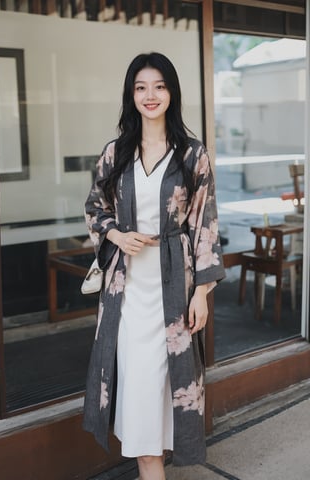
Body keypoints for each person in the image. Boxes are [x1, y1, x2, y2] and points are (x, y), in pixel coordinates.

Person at [83, 52, 225, 480]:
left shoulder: (191, 155)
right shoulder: (116, 153)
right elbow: (95, 207)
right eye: (141, 86)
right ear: (131, 93)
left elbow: (206, 224)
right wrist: (116, 234)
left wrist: (201, 292)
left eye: (159, 86)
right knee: (141, 403)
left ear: (171, 93)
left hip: (174, 295)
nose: (150, 95)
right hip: (126, 298)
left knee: (167, 398)